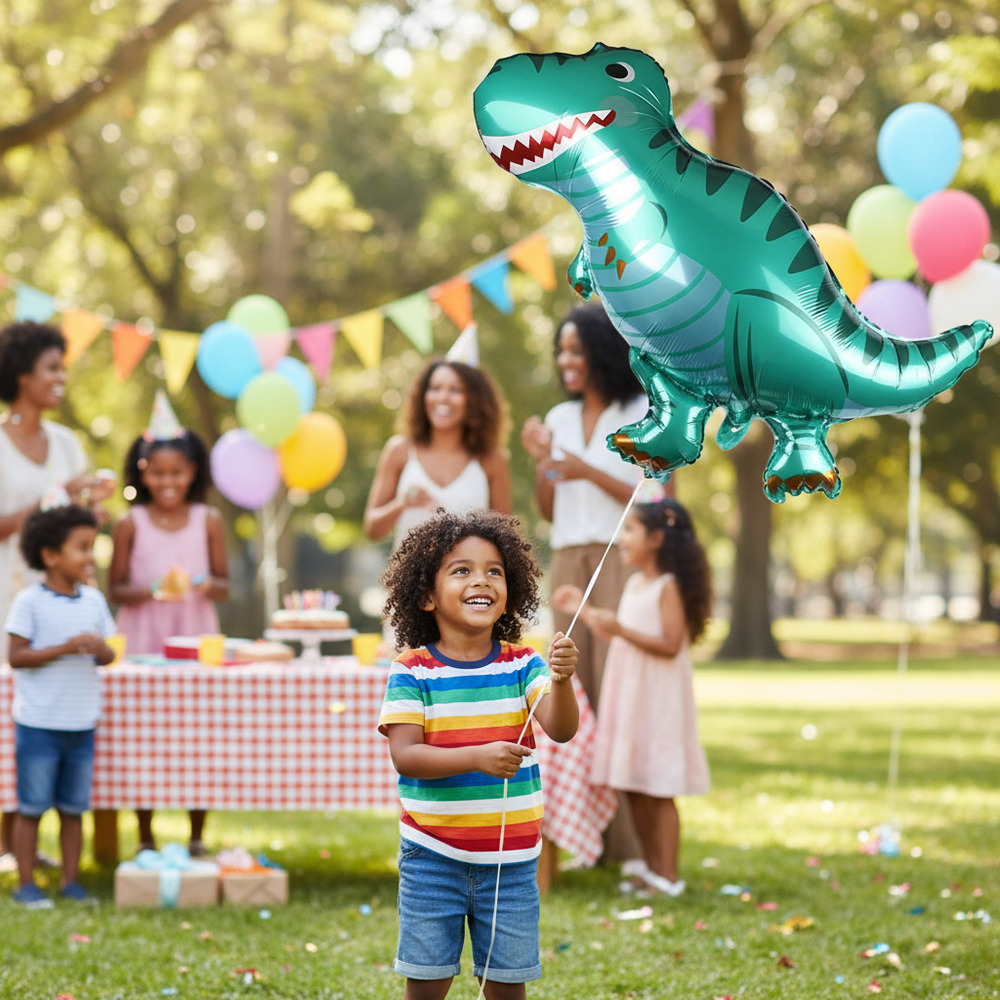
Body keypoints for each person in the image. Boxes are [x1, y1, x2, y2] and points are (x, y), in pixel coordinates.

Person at [378, 510, 579, 999]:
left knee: (506, 984)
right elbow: (406, 756)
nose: (482, 580)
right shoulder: (412, 670)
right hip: (432, 855)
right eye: (461, 570)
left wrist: (561, 681)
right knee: (428, 980)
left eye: (494, 571)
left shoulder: (524, 663)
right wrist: (477, 757)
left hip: (512, 861)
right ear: (426, 596)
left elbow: (561, 728)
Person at [520, 300, 646, 865]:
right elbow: (550, 507)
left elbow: (652, 494)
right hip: (570, 556)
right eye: (561, 351)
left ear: (601, 352)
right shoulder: (559, 417)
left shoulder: (640, 409)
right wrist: (542, 462)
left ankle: (629, 845)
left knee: (617, 688)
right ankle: (583, 833)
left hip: (620, 556)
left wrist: (585, 470)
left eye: (575, 350)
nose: (565, 361)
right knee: (576, 690)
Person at [0, 320, 116, 873]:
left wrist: (92, 511)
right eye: (52, 368)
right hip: (10, 592)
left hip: (60, 596)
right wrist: (56, 498)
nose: (61, 377)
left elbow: (75, 523)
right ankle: (9, 842)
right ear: (22, 375)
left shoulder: (67, 443)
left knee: (46, 707)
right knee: (12, 715)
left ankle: (26, 842)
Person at [555, 498, 711, 897]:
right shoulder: (634, 583)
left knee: (658, 788)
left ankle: (668, 874)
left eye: (630, 530)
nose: (621, 538)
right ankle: (650, 868)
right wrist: (583, 610)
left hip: (657, 696)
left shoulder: (667, 585)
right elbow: (620, 630)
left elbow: (670, 644)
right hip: (630, 693)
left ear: (656, 539)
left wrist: (620, 630)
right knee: (634, 783)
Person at [108, 425, 229, 856]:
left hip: (195, 633)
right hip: (143, 636)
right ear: (142, 473)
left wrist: (204, 583)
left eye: (176, 473)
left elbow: (224, 585)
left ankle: (196, 835)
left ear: (192, 471)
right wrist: (151, 590)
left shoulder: (207, 519)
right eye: (158, 473)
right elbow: (115, 588)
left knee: (199, 733)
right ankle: (145, 835)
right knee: (142, 734)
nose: (167, 482)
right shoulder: (130, 523)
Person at [5, 504, 116, 907]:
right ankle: (25, 884)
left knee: (73, 809)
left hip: (81, 724)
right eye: (81, 547)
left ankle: (71, 882)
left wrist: (100, 649)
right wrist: (64, 649)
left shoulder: (93, 601)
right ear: (50, 555)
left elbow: (109, 655)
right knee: (32, 808)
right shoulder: (30, 602)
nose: (90, 556)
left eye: (92, 546)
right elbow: (17, 656)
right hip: (39, 724)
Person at [364, 358, 512, 545]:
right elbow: (372, 529)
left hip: (468, 565)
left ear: (474, 400)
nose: (443, 397)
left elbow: (507, 538)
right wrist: (401, 503)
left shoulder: (492, 459)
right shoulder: (399, 450)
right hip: (408, 565)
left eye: (456, 390)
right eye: (435, 388)